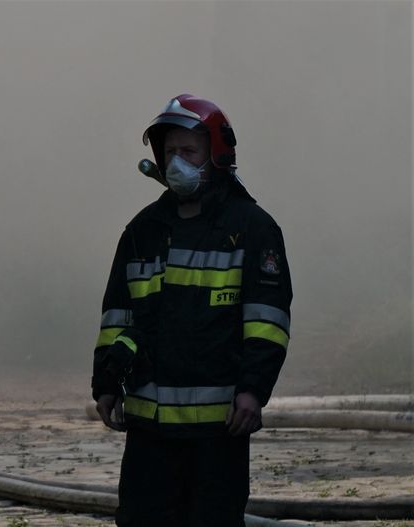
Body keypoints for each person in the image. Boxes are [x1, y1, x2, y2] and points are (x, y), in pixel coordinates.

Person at [92, 94, 292, 526]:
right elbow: (117, 315)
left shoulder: (252, 229)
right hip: (149, 431)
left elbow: (268, 322)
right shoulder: (141, 231)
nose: (177, 162)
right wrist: (105, 381)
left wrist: (253, 391)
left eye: (189, 151)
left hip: (218, 431)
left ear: (216, 154)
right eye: (170, 153)